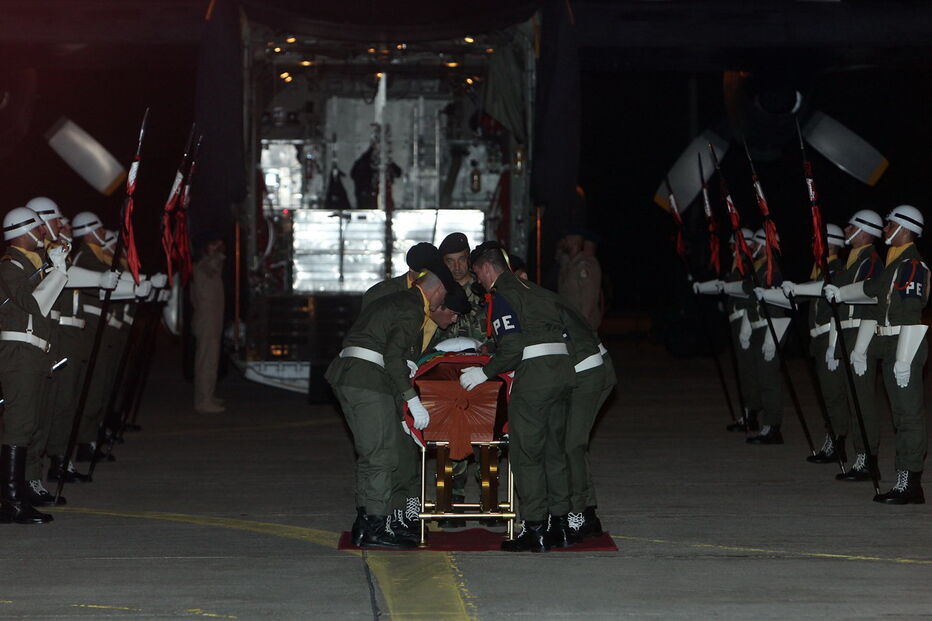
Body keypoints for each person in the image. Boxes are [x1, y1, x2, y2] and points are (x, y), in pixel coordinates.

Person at [460, 241, 577, 552]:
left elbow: (512, 346)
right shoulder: (537, 291)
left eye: (478, 274)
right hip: (563, 371)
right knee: (555, 453)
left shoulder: (504, 294)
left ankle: (535, 528)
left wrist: (484, 373)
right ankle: (561, 526)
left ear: (487, 268)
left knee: (527, 455)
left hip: (536, 378)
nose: (479, 281)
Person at [325, 267, 453, 549]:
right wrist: (412, 399)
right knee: (382, 456)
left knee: (370, 453)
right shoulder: (413, 307)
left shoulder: (395, 299)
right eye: (444, 296)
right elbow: (394, 358)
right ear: (438, 289)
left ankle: (364, 523)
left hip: (351, 374)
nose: (442, 303)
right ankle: (376, 526)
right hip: (368, 379)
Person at [825, 205, 930, 504]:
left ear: (904, 229)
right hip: (889, 342)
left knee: (908, 415)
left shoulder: (912, 265)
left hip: (903, 343)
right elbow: (872, 290)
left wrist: (904, 358)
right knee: (899, 414)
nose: (885, 229)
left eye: (890, 224)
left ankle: (910, 482)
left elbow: (911, 313)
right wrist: (841, 293)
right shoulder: (895, 263)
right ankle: (904, 479)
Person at [0, 206, 68, 523]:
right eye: (38, 227)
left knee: (29, 424)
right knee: (19, 424)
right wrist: (58, 271)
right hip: (19, 354)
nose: (44, 232)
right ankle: (11, 500)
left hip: (34, 354)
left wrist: (57, 267)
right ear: (23, 231)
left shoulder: (32, 263)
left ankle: (19, 493)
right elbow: (36, 303)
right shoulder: (11, 265)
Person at [777, 225, 849, 465]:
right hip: (818, 338)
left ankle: (837, 442)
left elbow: (823, 289)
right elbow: (804, 294)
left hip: (830, 337)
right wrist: (780, 293)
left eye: (816, 241)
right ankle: (832, 439)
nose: (812, 246)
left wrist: (797, 288)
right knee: (827, 394)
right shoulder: (820, 271)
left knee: (833, 394)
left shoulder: (836, 270)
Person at [694, 228, 761, 433]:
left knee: (748, 369)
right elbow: (724, 284)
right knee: (743, 368)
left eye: (734, 244)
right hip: (735, 319)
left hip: (744, 320)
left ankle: (752, 413)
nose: (731, 247)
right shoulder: (737, 264)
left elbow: (745, 290)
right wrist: (702, 287)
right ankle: (748, 411)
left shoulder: (747, 265)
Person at [191, 237, 226, 414]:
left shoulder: (204, 266)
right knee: (207, 361)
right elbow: (214, 264)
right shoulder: (203, 266)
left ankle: (207, 396)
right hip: (207, 320)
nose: (216, 248)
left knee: (210, 359)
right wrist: (218, 254)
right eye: (212, 244)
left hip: (211, 319)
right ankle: (204, 400)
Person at [360, 242, 439, 311]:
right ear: (411, 269)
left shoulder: (440, 291)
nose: (429, 277)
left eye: (434, 272)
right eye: (424, 273)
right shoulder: (381, 294)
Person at [558, 229, 603, 330]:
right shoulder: (570, 264)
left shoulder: (584, 265)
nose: (564, 241)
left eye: (566, 238)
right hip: (570, 324)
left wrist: (581, 326)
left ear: (574, 241)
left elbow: (588, 298)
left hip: (580, 326)